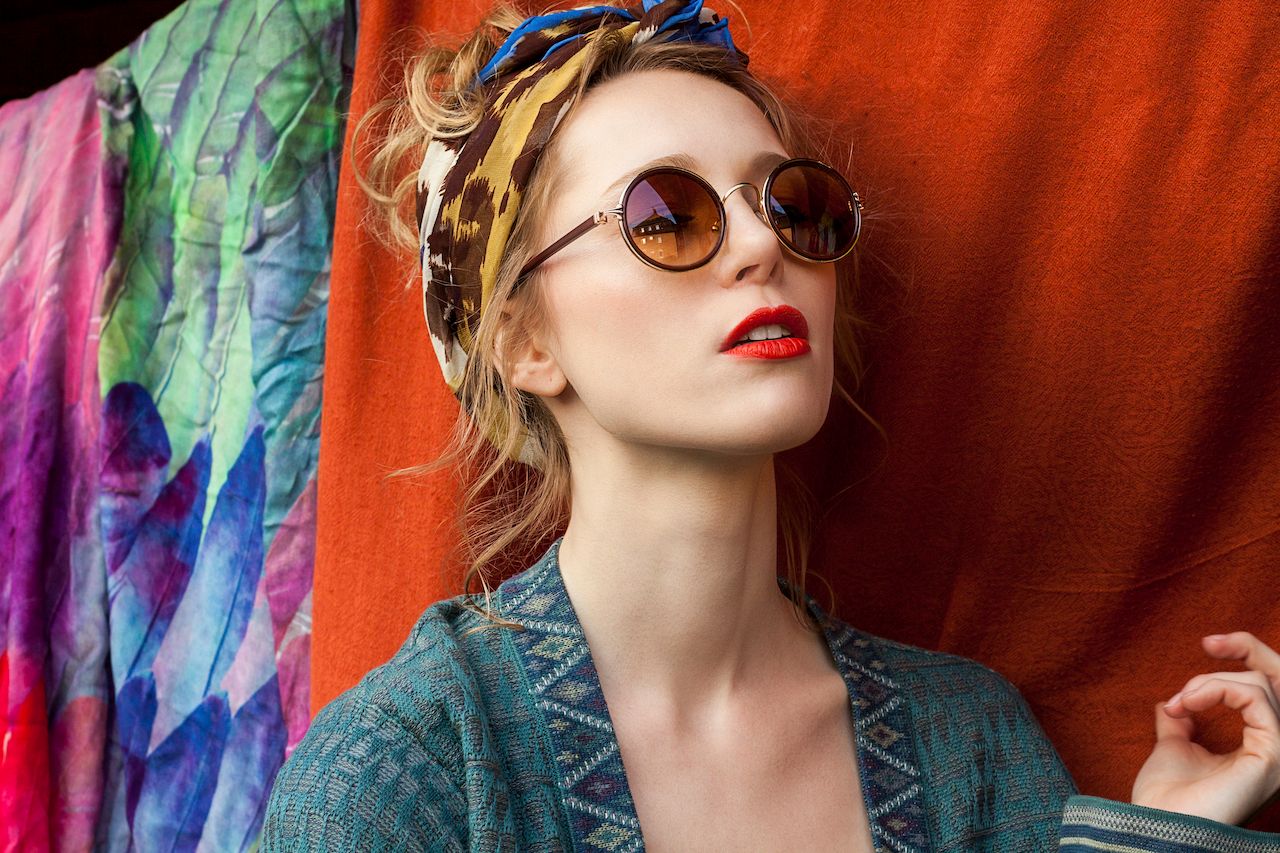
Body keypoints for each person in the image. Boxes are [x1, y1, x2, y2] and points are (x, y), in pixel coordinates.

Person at [262, 0, 1280, 849]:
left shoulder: (967, 741)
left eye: (790, 202)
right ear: (524, 340)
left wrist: (1163, 834)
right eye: (667, 216)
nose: (763, 244)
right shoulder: (408, 768)